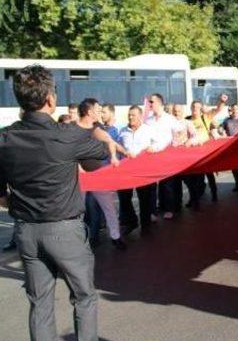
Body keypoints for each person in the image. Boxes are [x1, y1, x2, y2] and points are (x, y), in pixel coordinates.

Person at [0, 65, 111, 341]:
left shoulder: (2, 139)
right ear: (48, 98)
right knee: (83, 297)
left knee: (39, 303)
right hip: (64, 229)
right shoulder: (68, 134)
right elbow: (98, 159)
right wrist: (94, 128)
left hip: (26, 231)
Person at [77, 98, 128, 250]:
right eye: (98, 109)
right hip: (80, 177)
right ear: (89, 111)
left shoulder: (97, 126)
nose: (100, 111)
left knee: (109, 208)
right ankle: (79, 239)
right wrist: (78, 168)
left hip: (98, 175)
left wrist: (122, 152)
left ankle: (116, 236)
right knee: (79, 210)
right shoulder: (72, 129)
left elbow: (109, 140)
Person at [117, 105, 155, 235]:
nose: (130, 117)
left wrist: (152, 149)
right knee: (124, 198)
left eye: (133, 115)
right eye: (129, 114)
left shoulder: (148, 130)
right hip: (126, 172)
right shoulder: (122, 131)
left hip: (143, 171)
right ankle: (132, 221)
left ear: (140, 116)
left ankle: (146, 226)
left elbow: (157, 144)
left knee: (144, 199)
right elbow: (118, 148)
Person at [145, 93, 182, 219]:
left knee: (167, 184)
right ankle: (152, 212)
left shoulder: (169, 119)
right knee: (151, 185)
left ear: (160, 103)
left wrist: (175, 142)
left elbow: (180, 132)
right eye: (149, 102)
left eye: (152, 102)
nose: (150, 104)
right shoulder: (148, 120)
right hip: (151, 155)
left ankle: (169, 209)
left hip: (166, 155)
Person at [185, 99, 218, 205]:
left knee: (209, 175)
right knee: (193, 179)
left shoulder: (205, 118)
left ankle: (214, 194)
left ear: (201, 109)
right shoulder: (186, 120)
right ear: (191, 108)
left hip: (205, 153)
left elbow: (218, 109)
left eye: (198, 107)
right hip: (192, 155)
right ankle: (194, 199)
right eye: (194, 107)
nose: (195, 109)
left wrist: (222, 101)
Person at [222, 104, 238, 192]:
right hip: (230, 146)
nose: (234, 111)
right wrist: (220, 131)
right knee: (233, 167)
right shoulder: (226, 120)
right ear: (231, 110)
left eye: (236, 109)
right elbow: (221, 129)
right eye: (233, 109)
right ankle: (237, 184)